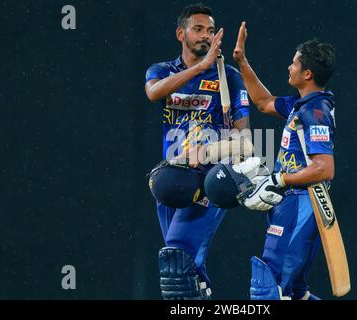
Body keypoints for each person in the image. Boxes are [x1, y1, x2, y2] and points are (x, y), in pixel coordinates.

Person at [144, 4, 251, 299]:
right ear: (181, 33)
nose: (206, 36)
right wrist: (199, 69)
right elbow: (154, 93)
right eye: (198, 29)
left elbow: (246, 142)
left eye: (211, 30)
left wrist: (207, 152)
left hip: (209, 179)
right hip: (173, 178)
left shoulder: (228, 77)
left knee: (177, 260)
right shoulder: (162, 71)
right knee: (186, 273)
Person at [232, 22, 337, 300]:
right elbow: (263, 102)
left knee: (269, 289)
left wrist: (279, 179)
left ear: (307, 73)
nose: (288, 67)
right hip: (291, 203)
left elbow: (324, 169)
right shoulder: (299, 105)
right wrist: (242, 61)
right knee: (295, 293)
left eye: (294, 64)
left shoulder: (315, 112)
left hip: (301, 203)